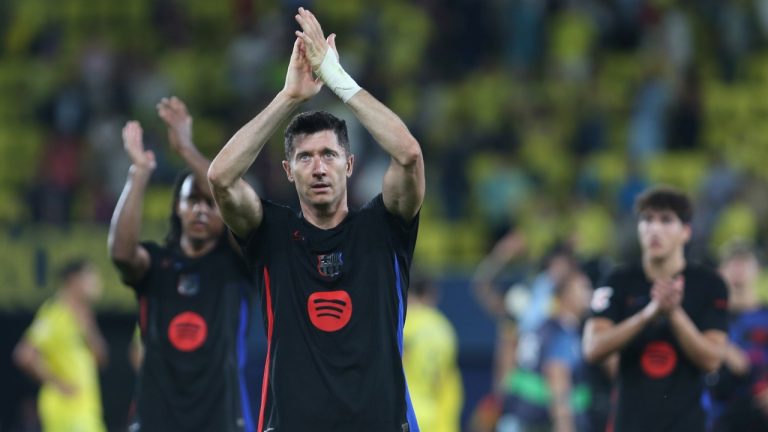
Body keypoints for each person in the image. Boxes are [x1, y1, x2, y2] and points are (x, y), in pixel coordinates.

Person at [207, 7, 425, 431]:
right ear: (289, 171)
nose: (319, 167)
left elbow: (409, 154)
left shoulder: (384, 228)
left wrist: (337, 79)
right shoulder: (270, 233)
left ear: (349, 163)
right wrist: (289, 97)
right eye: (305, 158)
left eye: (328, 155)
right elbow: (220, 176)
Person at [109, 97, 258, 432]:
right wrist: (139, 174)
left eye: (210, 204)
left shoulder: (238, 262)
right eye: (192, 201)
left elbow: (231, 196)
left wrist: (187, 149)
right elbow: (121, 254)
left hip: (222, 417)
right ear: (178, 208)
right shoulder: (157, 264)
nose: (201, 210)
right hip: (156, 418)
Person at [582, 186, 729, 432]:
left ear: (686, 232)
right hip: (629, 424)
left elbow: (712, 359)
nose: (654, 228)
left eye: (666, 220)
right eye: (647, 219)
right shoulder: (617, 280)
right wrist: (648, 314)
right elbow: (593, 348)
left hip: (686, 425)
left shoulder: (709, 284)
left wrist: (673, 313)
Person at [13, 258, 108, 432]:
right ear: (73, 280)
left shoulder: (84, 316)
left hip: (87, 408)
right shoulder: (55, 314)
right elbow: (24, 354)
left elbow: (101, 359)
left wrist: (89, 330)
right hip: (65, 409)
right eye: (90, 278)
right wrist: (58, 383)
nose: (96, 284)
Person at [499, 271, 593, 432]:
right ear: (566, 295)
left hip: (519, 415)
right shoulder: (563, 333)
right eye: (583, 288)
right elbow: (557, 377)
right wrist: (564, 425)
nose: (590, 294)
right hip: (539, 422)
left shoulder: (543, 326)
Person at [704, 242, 768, 431]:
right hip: (718, 414)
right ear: (719, 272)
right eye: (731, 263)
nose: (738, 270)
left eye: (744, 263)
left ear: (758, 270)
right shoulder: (707, 320)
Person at [402, 273, 463, 432]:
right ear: (430, 294)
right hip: (434, 417)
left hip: (404, 415)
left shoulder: (402, 325)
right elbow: (449, 386)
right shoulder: (444, 327)